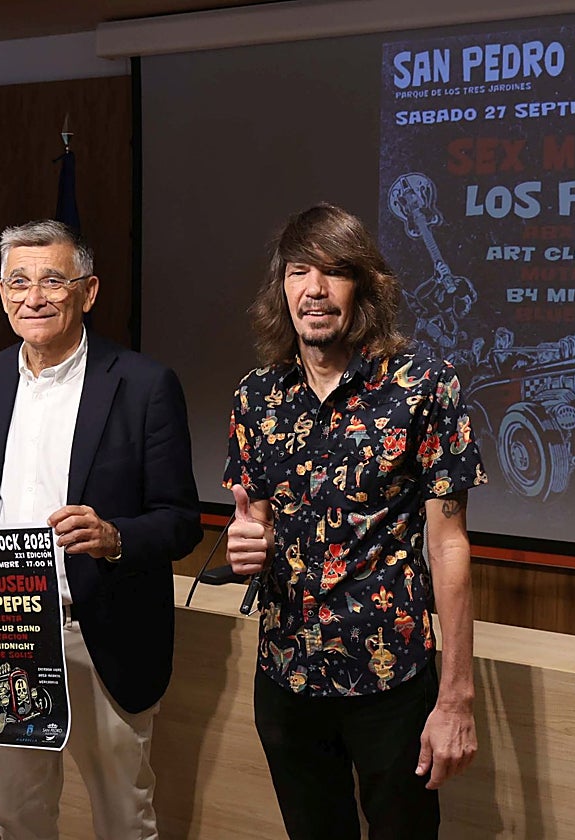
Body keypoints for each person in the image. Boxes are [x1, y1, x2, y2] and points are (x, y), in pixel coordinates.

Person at [0, 220, 202, 840]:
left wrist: (115, 536)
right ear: (2, 294)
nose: (33, 296)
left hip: (101, 632)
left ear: (87, 292)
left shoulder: (144, 386)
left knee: (122, 815)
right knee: (14, 816)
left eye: (52, 281)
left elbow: (180, 520)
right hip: (2, 630)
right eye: (17, 281)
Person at [223, 203, 485, 839]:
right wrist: (242, 546)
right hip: (286, 677)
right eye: (297, 272)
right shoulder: (256, 397)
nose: (313, 290)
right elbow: (249, 528)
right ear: (281, 287)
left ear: (364, 285)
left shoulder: (426, 388)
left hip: (390, 680)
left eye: (333, 272)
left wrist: (456, 697)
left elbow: (448, 546)